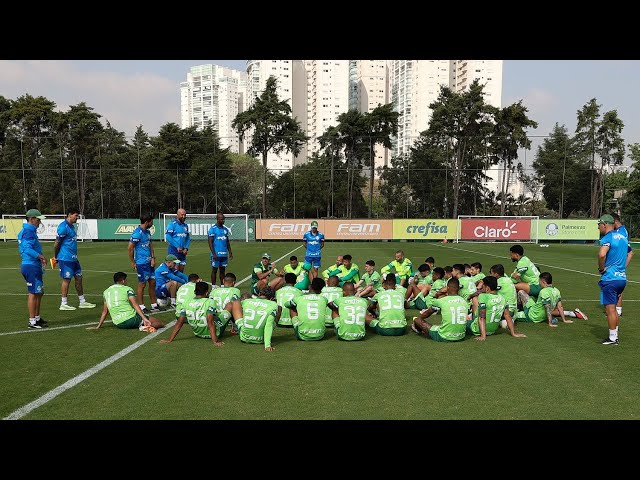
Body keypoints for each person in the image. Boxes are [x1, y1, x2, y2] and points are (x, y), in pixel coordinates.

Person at [89, 271, 164, 331]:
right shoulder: (127, 289)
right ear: (123, 280)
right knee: (159, 323)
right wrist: (144, 318)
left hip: (119, 323)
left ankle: (142, 325)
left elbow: (105, 311)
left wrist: (98, 326)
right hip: (131, 319)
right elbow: (135, 305)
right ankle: (143, 327)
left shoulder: (106, 292)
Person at [54, 208, 96, 311]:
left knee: (79, 278)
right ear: (69, 215)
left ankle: (82, 302)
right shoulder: (63, 227)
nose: (77, 218)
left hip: (74, 258)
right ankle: (63, 303)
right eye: (76, 215)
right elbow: (57, 243)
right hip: (65, 258)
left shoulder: (71, 227)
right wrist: (56, 256)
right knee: (66, 279)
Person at [597, 214, 630, 345]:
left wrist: (601, 268)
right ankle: (614, 335)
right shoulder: (623, 237)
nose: (598, 228)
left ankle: (612, 338)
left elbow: (601, 254)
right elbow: (630, 252)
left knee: (610, 309)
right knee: (615, 309)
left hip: (610, 278)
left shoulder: (608, 237)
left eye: (599, 225)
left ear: (605, 224)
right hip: (622, 278)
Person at [159, 281, 224, 346]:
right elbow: (210, 322)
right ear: (207, 293)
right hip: (213, 333)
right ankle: (233, 328)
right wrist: (215, 341)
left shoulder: (186, 302)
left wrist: (170, 339)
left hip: (198, 333)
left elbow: (180, 322)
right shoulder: (210, 302)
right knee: (228, 309)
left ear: (195, 292)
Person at [515, 272, 587, 327]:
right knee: (521, 292)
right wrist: (564, 320)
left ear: (544, 282)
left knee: (510, 315)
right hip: (533, 308)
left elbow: (547, 307)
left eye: (539, 282)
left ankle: (517, 312)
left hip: (532, 316)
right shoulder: (556, 291)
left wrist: (550, 323)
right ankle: (519, 309)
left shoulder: (543, 292)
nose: (539, 284)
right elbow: (560, 307)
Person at [466, 276, 526, 341]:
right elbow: (508, 316)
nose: (481, 288)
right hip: (492, 331)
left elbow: (482, 317)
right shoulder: (503, 298)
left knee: (462, 323)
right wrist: (514, 333)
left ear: (487, 288)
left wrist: (483, 336)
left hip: (477, 329)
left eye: (482, 286)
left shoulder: (483, 296)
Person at [411, 277, 467, 342]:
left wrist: (418, 319)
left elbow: (427, 313)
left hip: (444, 336)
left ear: (447, 288)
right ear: (458, 288)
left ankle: (417, 327)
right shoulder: (464, 301)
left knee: (417, 320)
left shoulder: (441, 301)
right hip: (461, 336)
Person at [18, 209, 48, 329]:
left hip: (32, 265)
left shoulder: (28, 231)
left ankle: (37, 317)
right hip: (30, 265)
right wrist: (41, 257)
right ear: (31, 219)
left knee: (39, 292)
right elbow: (27, 249)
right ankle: (32, 321)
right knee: (33, 292)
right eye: (38, 219)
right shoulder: (28, 232)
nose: (39, 222)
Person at [229, 286, 279, 351]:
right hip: (261, 339)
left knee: (235, 302)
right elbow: (268, 325)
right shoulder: (273, 305)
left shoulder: (247, 301)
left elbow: (236, 307)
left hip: (244, 337)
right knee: (279, 308)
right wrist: (267, 345)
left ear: (259, 294)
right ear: (272, 298)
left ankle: (234, 326)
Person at [128, 215, 159, 314]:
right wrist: (133, 262)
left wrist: (153, 258)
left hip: (149, 262)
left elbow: (150, 245)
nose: (152, 224)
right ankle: (141, 306)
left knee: (153, 282)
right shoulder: (137, 233)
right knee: (142, 284)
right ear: (147, 222)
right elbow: (130, 248)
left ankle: (154, 305)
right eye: (151, 222)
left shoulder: (148, 232)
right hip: (141, 263)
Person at [612, 213, 633, 317]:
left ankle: (617, 311)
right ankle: (616, 310)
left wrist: (623, 267)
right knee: (616, 287)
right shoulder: (620, 231)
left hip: (617, 264)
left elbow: (630, 252)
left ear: (615, 221)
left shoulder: (621, 232)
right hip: (616, 264)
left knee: (616, 288)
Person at [208, 212, 233, 287]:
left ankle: (222, 285)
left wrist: (230, 252)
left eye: (223, 219)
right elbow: (210, 242)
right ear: (217, 219)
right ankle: (213, 286)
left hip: (224, 254)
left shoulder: (225, 229)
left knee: (222, 270)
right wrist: (214, 253)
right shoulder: (213, 229)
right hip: (216, 254)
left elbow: (227, 241)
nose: (223, 221)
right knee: (214, 270)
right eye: (221, 219)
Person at [165, 208, 190, 272]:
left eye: (185, 215)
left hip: (182, 252)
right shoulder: (172, 224)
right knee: (175, 271)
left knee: (181, 271)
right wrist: (177, 246)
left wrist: (186, 248)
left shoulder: (185, 226)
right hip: (174, 251)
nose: (184, 217)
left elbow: (187, 238)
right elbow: (168, 236)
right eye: (182, 215)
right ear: (177, 215)